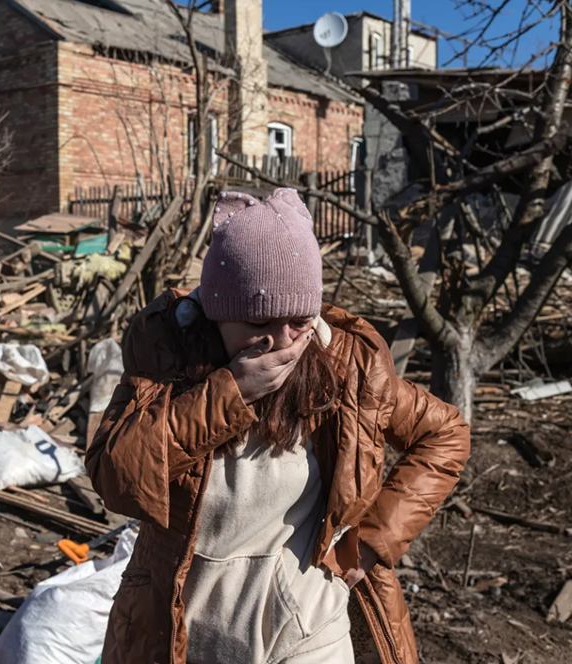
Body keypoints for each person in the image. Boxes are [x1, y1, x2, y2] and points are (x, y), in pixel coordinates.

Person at [86, 188, 470, 664]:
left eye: (299, 320)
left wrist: (375, 538)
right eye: (259, 321)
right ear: (218, 313)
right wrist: (231, 393)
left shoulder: (346, 365)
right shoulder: (164, 356)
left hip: (308, 622)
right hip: (186, 624)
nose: (283, 340)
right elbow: (114, 477)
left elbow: (445, 434)